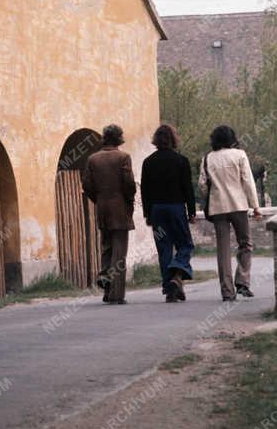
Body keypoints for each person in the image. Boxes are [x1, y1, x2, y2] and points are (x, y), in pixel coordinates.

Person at [198, 125, 262, 301]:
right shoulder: (240, 155)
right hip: (238, 205)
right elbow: (248, 181)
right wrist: (255, 206)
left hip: (218, 208)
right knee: (245, 243)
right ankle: (242, 281)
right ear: (232, 139)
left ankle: (227, 291)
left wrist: (210, 196)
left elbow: (202, 185)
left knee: (223, 250)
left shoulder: (207, 158)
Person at [140, 124, 196, 303]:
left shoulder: (148, 162)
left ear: (156, 140)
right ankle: (177, 274)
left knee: (164, 248)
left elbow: (145, 191)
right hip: (176, 209)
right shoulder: (181, 161)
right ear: (173, 139)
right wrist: (192, 211)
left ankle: (170, 288)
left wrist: (147, 213)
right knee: (185, 244)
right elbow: (188, 188)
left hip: (157, 211)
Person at [81, 124, 135, 305]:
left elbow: (87, 185)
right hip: (120, 209)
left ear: (104, 137)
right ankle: (117, 294)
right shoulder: (123, 157)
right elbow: (129, 185)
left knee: (106, 248)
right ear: (119, 138)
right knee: (119, 253)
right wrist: (128, 199)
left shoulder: (92, 159)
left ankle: (105, 282)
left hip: (102, 208)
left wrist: (98, 199)